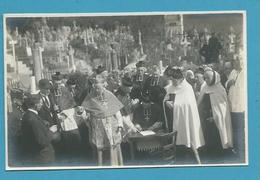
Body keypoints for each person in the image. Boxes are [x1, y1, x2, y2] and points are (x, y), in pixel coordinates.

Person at [163, 66, 205, 164]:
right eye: (171, 80)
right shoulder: (171, 87)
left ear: (180, 79)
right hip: (173, 118)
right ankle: (178, 160)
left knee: (189, 140)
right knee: (176, 142)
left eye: (174, 81)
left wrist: (175, 105)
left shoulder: (187, 88)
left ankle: (194, 160)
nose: (172, 83)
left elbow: (188, 105)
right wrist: (166, 103)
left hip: (185, 119)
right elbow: (165, 99)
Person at [81, 74, 124, 166]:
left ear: (104, 86)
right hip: (97, 127)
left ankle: (115, 167)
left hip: (111, 126)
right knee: (100, 149)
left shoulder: (110, 95)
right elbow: (86, 114)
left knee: (113, 147)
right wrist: (82, 113)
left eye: (99, 89)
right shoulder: (90, 97)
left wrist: (120, 125)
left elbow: (117, 113)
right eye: (95, 89)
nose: (97, 91)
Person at [198, 68, 233, 157]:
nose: (206, 80)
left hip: (216, 119)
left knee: (218, 136)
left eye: (208, 78)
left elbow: (222, 109)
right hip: (205, 117)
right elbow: (200, 103)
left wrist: (215, 116)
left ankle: (220, 153)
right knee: (207, 136)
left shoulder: (220, 89)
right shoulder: (204, 87)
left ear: (214, 78)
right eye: (204, 78)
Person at [20, 94, 55, 165]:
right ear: (36, 105)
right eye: (40, 103)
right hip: (43, 157)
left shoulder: (28, 115)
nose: (41, 105)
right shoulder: (33, 119)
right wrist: (51, 131)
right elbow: (42, 141)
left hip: (37, 155)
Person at [225, 58, 245, 162]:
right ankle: (236, 150)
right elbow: (226, 85)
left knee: (240, 130)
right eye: (236, 61)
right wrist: (229, 83)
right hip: (231, 106)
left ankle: (241, 153)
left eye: (239, 61)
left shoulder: (245, 72)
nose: (237, 63)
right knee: (234, 129)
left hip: (241, 107)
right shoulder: (233, 72)